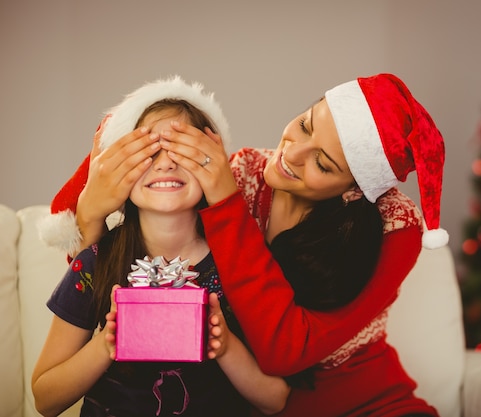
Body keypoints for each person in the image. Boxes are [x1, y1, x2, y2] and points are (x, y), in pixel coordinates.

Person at [42, 73, 447, 417]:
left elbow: (284, 354)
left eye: (323, 163)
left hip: (361, 403)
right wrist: (92, 211)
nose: (291, 153)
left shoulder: (396, 225)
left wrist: (225, 202)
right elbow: (98, 282)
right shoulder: (243, 171)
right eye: (305, 125)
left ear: (355, 190)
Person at [32, 77, 290, 417]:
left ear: (212, 165)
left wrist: (224, 345)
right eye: (149, 151)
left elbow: (276, 400)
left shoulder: (237, 266)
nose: (166, 163)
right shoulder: (96, 264)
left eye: (182, 150)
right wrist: (106, 344)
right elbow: (45, 399)